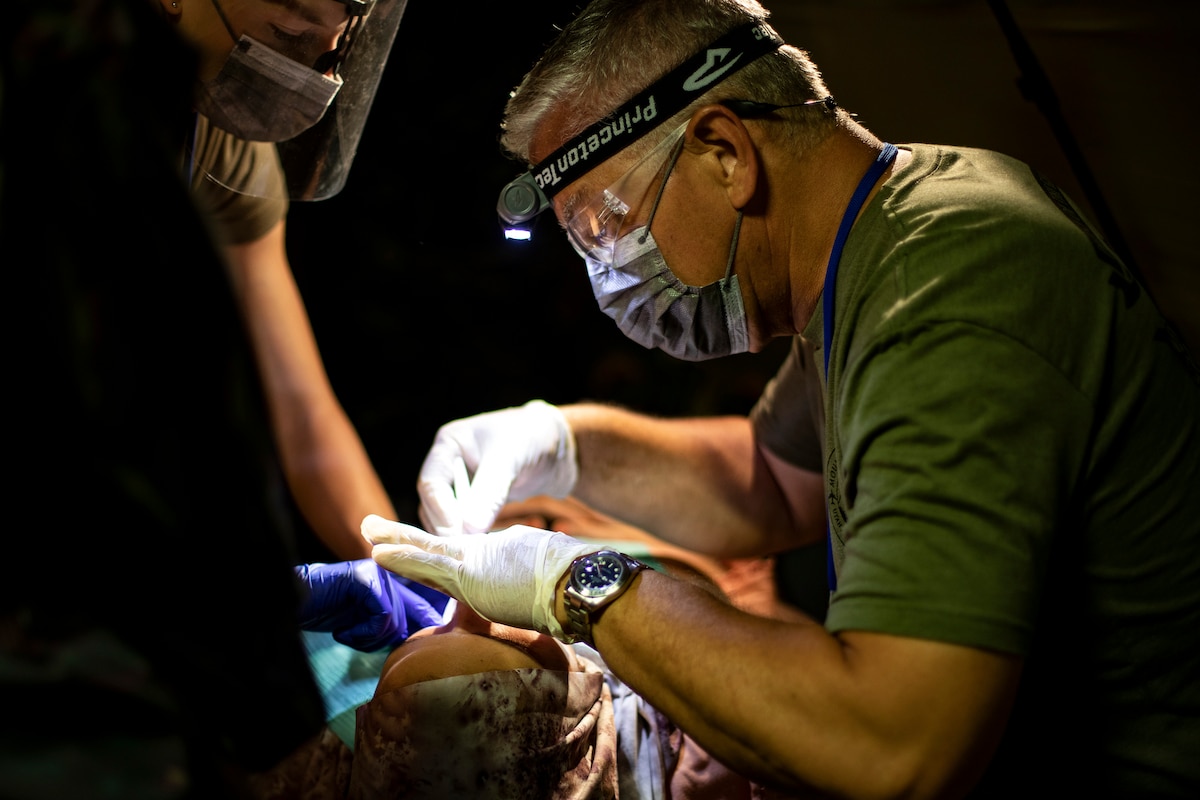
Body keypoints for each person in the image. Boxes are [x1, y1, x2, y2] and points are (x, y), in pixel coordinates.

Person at [366, 0, 1200, 797]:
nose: (606, 275)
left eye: (604, 227)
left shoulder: (947, 295)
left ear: (725, 153)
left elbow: (895, 747)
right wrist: (557, 443)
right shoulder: (880, 241)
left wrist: (578, 584)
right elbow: (770, 479)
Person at [161, 0, 409, 561]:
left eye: (337, 45)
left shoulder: (217, 140)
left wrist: (405, 567)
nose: (311, 71)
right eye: (291, 31)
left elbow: (302, 411)